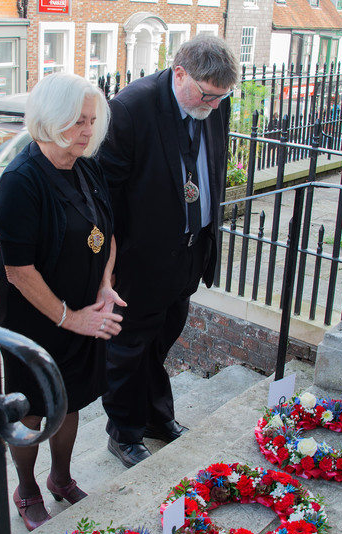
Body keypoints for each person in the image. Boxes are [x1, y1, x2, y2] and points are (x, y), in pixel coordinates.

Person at [0, 73, 126, 531]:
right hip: (38, 319)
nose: (89, 131)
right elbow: (18, 271)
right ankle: (27, 487)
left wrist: (105, 285)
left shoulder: (87, 165)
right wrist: (71, 319)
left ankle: (61, 477)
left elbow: (105, 234)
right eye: (77, 121)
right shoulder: (20, 182)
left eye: (92, 120)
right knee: (33, 406)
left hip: (85, 313)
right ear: (50, 120)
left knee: (70, 400)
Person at [98, 35, 239, 468]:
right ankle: (123, 433)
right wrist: (110, 268)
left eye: (222, 97)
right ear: (179, 73)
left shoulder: (214, 103)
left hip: (190, 252)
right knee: (128, 350)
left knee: (161, 341)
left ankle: (157, 418)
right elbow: (108, 194)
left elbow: (211, 166)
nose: (214, 106)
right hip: (141, 260)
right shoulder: (130, 107)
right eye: (207, 95)